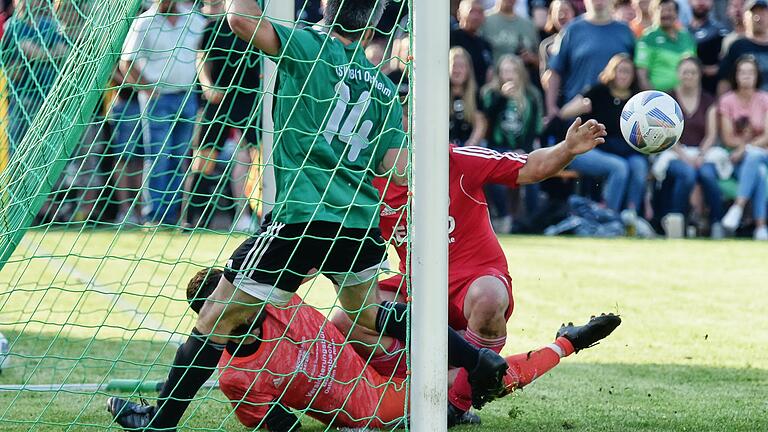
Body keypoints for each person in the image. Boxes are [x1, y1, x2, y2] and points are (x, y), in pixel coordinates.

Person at [105, 1, 510, 429]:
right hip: (358, 224)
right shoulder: (385, 88)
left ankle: (161, 422)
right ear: (373, 22)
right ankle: (475, 358)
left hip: (301, 217)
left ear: (327, 8)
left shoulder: (310, 46)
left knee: (215, 315)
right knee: (370, 314)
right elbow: (394, 166)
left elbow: (241, 18)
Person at [339, 115, 615, 425]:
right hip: (416, 291)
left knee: (488, 298)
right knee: (345, 320)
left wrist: (567, 148)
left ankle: (455, 403)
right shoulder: (367, 188)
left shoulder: (457, 160)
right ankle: (447, 381)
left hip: (475, 281)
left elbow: (530, 167)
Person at [107, 268, 621, 431]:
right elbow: (278, 423)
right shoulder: (234, 377)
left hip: (369, 356)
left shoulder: (278, 304)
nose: (244, 293)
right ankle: (567, 342)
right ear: (222, 318)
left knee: (370, 311)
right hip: (371, 404)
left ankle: (469, 365)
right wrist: (319, 402)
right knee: (481, 385)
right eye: (231, 297)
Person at [120, 0, 205, 225]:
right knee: (159, 156)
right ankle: (155, 216)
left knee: (180, 158)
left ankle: (175, 215)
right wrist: (147, 89)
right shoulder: (143, 22)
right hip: (157, 98)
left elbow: (205, 50)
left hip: (187, 96)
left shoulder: (195, 18)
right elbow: (126, 62)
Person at [185, 0, 262, 231]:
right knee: (204, 160)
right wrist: (208, 85)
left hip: (249, 98)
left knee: (259, 157)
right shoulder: (213, 26)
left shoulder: (259, 26)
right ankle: (191, 218)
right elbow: (201, 58)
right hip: (218, 99)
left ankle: (256, 216)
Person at [560, 54, 649, 221]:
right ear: (612, 72)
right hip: (592, 148)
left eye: (628, 72)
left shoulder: (638, 100)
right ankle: (609, 216)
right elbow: (564, 113)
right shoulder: (597, 92)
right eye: (620, 71)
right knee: (619, 168)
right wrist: (579, 108)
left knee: (639, 166)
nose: (623, 75)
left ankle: (632, 216)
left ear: (634, 75)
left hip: (626, 151)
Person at [662, 57, 724, 237]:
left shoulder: (709, 100)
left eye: (693, 72)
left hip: (702, 152)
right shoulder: (668, 99)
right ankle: (677, 222)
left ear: (699, 75)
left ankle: (716, 223)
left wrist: (700, 155)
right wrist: (684, 156)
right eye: (685, 72)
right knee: (687, 174)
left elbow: (711, 134)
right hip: (673, 151)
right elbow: (665, 134)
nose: (688, 76)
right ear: (678, 74)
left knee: (707, 174)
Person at [545, 0, 635, 123]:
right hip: (579, 113)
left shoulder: (625, 31)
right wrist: (551, 108)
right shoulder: (571, 30)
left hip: (617, 115)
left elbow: (636, 70)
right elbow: (554, 72)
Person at [481, 55, 544, 231]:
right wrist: (502, 98)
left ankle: (533, 221)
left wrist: (524, 149)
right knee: (494, 174)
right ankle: (503, 217)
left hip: (523, 147)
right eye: (505, 71)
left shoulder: (531, 95)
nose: (508, 75)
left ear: (520, 73)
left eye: (512, 71)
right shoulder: (490, 93)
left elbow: (535, 129)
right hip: (497, 147)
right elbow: (488, 122)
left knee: (536, 173)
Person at [718, 55, 768, 240]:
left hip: (762, 153)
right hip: (737, 159)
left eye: (751, 72)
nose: (746, 76)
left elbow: (767, 136)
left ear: (757, 76)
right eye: (742, 72)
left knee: (755, 157)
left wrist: (746, 148)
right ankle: (761, 227)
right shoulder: (727, 101)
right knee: (760, 173)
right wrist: (743, 149)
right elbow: (728, 138)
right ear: (735, 75)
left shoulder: (765, 99)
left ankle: (738, 207)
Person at [635, 0, 697, 91]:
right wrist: (653, 97)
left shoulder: (687, 37)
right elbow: (642, 75)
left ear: (677, 14)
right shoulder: (648, 38)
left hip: (685, 96)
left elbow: (694, 67)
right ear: (654, 13)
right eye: (662, 10)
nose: (666, 14)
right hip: (659, 98)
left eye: (670, 10)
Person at [480, 0, 541, 83]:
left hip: (523, 85)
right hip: (494, 83)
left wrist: (531, 58)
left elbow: (541, 61)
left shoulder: (529, 25)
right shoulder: (484, 20)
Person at [719, 0, 768, 95]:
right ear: (745, 17)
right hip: (744, 106)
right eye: (754, 13)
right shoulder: (737, 46)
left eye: (762, 13)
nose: (758, 17)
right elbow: (724, 80)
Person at [688, 0, 729, 94]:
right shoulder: (682, 33)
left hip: (712, 91)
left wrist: (717, 68)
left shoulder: (720, 32)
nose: (701, 2)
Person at [451, 0, 495, 87]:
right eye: (472, 11)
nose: (476, 17)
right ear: (459, 14)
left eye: (480, 12)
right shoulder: (450, 39)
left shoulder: (485, 45)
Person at [450, 47, 487, 147]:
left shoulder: (476, 94)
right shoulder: (439, 94)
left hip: (467, 147)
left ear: (468, 70)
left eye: (461, 66)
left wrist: (470, 145)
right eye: (454, 65)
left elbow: (480, 124)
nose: (457, 70)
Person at [539, 0, 575, 85]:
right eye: (558, 12)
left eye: (566, 11)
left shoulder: (582, 40)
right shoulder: (546, 45)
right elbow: (544, 78)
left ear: (574, 13)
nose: (562, 15)